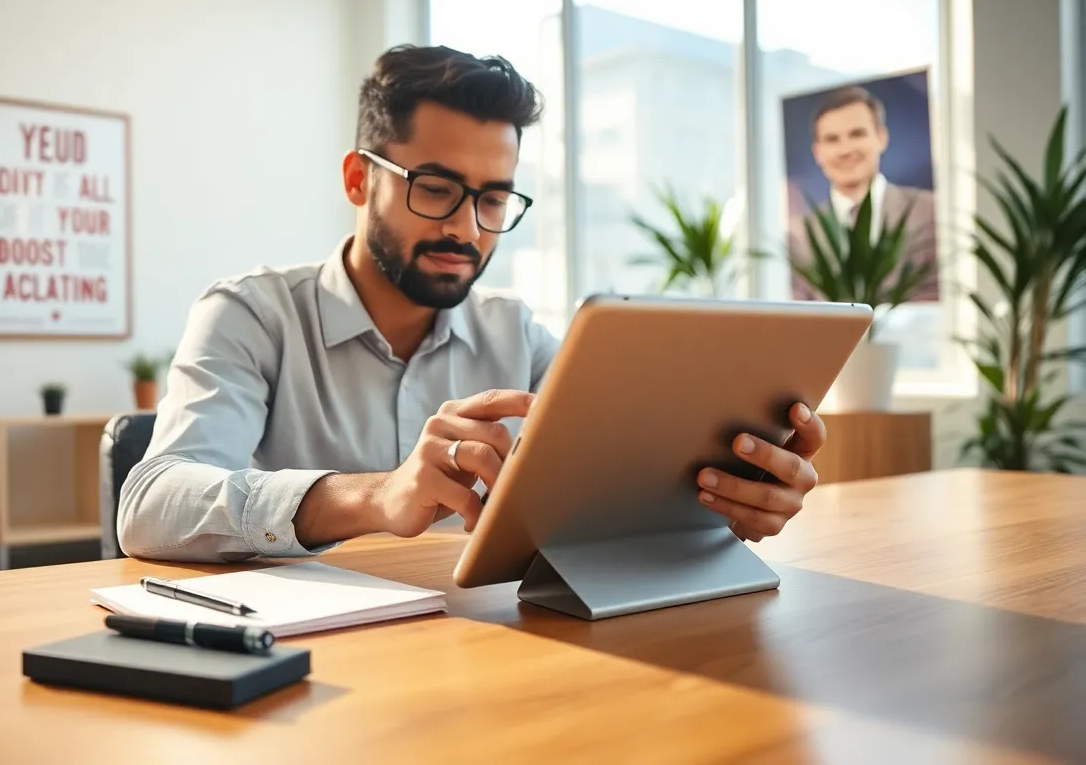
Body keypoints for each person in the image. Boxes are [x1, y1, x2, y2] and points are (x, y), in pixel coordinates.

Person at [117, 44, 828, 563]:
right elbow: (151, 504)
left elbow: (621, 481)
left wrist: (726, 500)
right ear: (359, 180)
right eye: (435, 188)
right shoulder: (250, 314)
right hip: (302, 672)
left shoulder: (515, 333)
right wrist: (375, 496)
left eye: (493, 199)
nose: (465, 228)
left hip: (474, 654)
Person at [788, 85, 939, 302]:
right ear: (817, 153)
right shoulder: (800, 236)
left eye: (857, 134)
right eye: (832, 139)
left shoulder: (929, 211)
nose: (845, 150)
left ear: (882, 138)